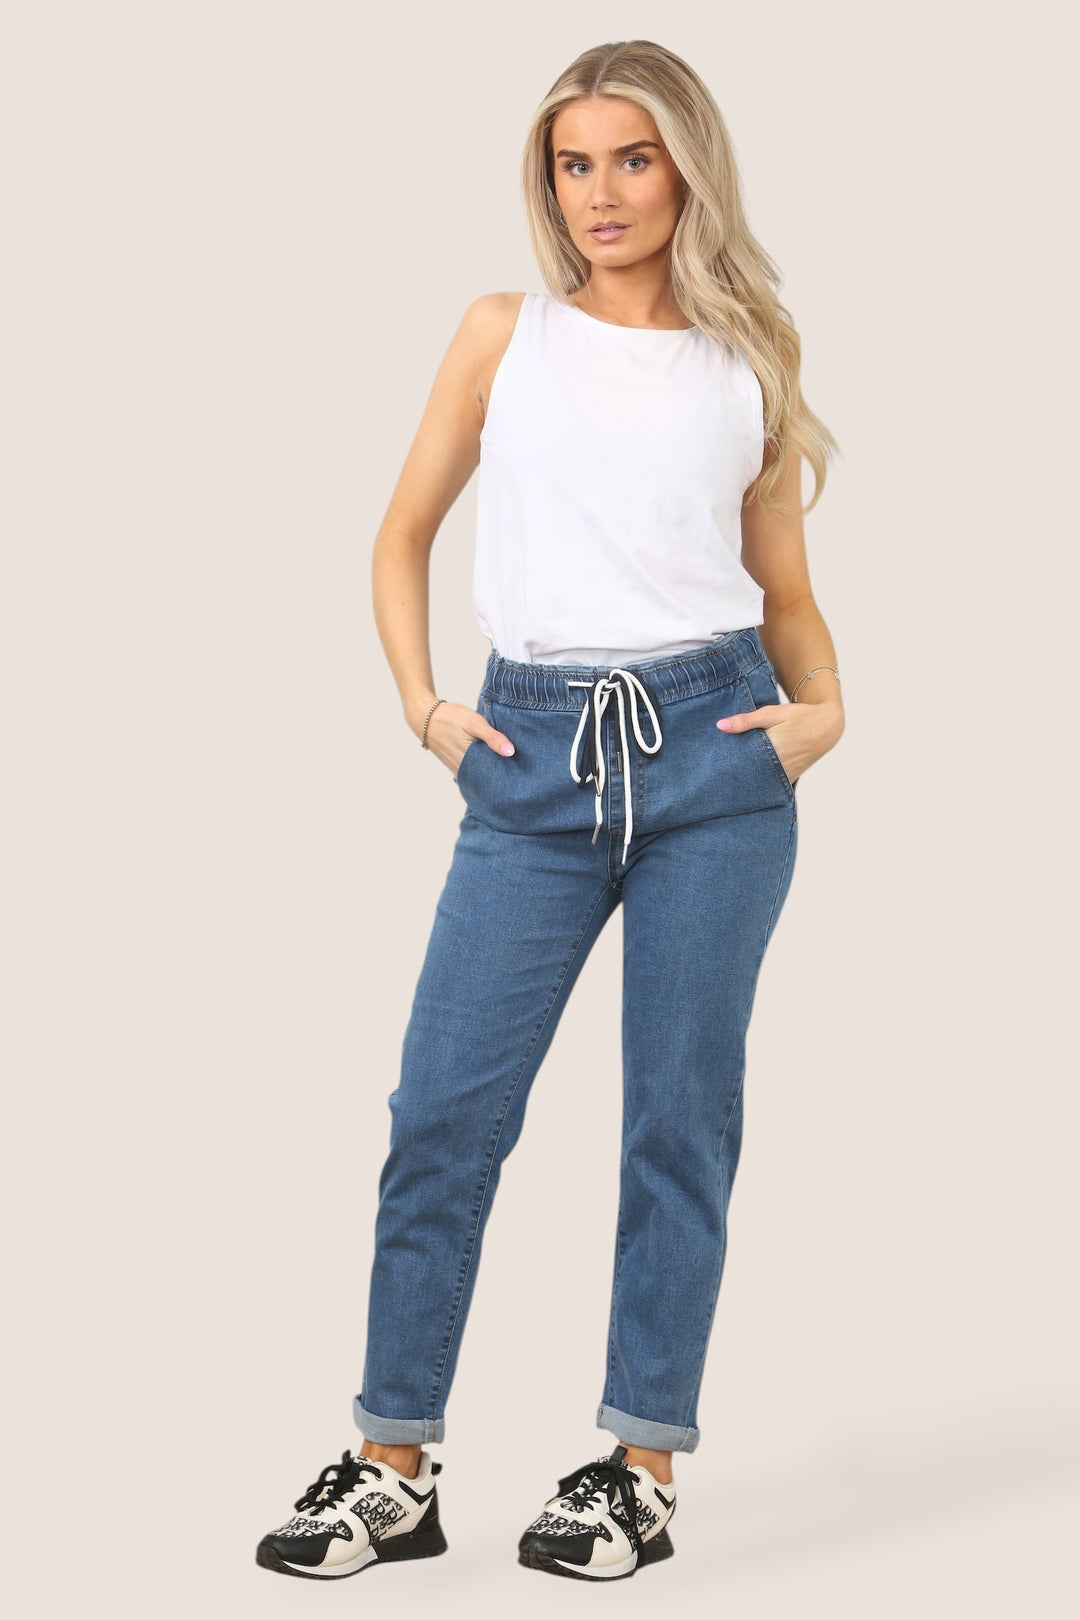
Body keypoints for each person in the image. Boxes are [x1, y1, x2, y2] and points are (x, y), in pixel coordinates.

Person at [256, 38, 844, 1584]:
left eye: (633, 159)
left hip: (716, 761)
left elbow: (784, 590)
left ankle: (639, 1471)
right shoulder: (500, 335)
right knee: (442, 1114)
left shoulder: (750, 353)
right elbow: (400, 534)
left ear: (687, 170)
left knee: (677, 1122)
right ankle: (393, 1466)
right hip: (526, 758)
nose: (602, 192)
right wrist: (425, 706)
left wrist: (824, 712)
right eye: (575, 163)